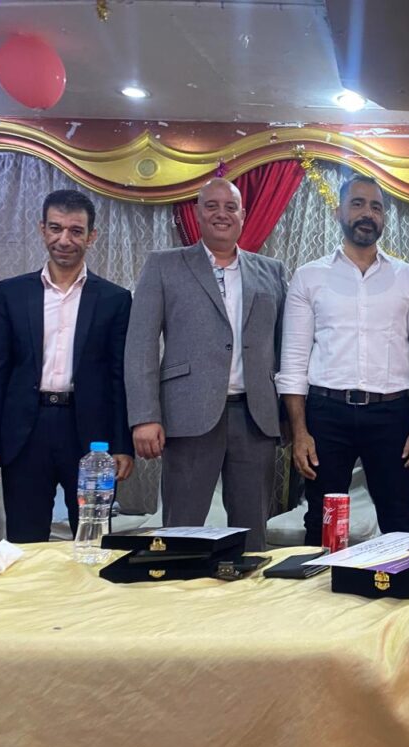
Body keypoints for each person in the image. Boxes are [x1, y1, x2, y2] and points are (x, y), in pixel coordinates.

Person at [125, 178, 287, 551]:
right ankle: (179, 586)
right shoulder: (164, 265)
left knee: (252, 536)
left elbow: (284, 346)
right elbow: (140, 345)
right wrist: (145, 416)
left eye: (230, 207)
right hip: (188, 415)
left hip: (255, 418)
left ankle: (245, 586)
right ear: (198, 213)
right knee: (181, 532)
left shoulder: (271, 271)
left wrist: (289, 416)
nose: (221, 214)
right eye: (211, 206)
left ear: (243, 215)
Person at [278, 175, 409, 545]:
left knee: (400, 519)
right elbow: (294, 362)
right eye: (358, 204)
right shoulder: (309, 277)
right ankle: (321, 584)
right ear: (338, 212)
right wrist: (299, 433)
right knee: (321, 521)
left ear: (384, 218)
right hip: (325, 415)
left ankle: (399, 584)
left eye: (376, 207)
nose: (368, 213)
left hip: (390, 415)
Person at [0, 190, 133, 542]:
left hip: (92, 439)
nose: (64, 239)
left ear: (91, 236)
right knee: (25, 541)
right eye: (56, 228)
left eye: (76, 231)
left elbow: (119, 378)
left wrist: (123, 444)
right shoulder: (11, 293)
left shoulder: (115, 299)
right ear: (42, 229)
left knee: (93, 540)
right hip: (25, 433)